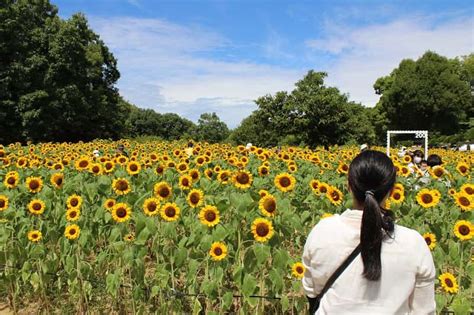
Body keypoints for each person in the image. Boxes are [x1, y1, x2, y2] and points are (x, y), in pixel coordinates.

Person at [302, 150, 435, 314]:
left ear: (348, 186)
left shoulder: (322, 232)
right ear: (392, 191)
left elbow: (311, 290)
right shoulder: (413, 243)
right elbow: (424, 309)